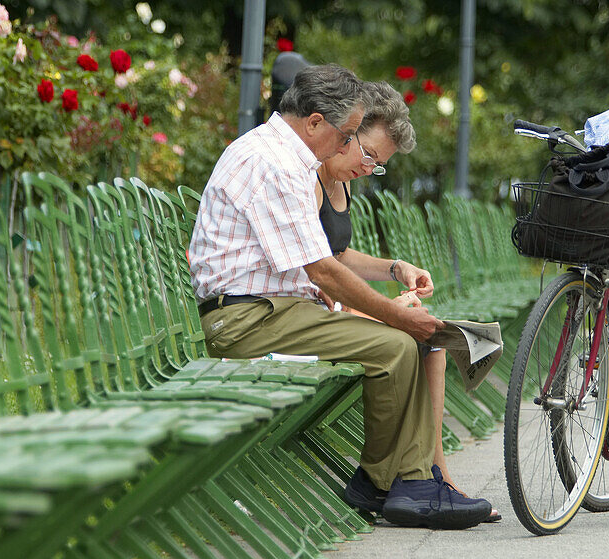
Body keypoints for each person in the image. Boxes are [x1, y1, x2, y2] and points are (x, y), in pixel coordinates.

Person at [188, 64, 492, 529]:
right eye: (347, 136)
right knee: (394, 343)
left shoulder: (285, 157)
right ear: (314, 122)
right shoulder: (274, 163)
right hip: (246, 321)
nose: (348, 149)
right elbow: (324, 269)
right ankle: (405, 483)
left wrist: (391, 299)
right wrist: (393, 314)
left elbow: (322, 264)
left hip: (270, 311)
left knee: (402, 340)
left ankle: (388, 481)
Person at [313, 81, 501, 522]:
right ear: (350, 129)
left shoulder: (340, 180)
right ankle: (414, 478)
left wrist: (396, 268)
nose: (369, 166)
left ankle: (434, 472)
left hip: (327, 310)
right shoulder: (310, 180)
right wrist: (383, 309)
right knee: (420, 334)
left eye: (379, 164)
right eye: (369, 154)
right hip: (312, 314)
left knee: (429, 335)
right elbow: (318, 274)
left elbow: (339, 256)